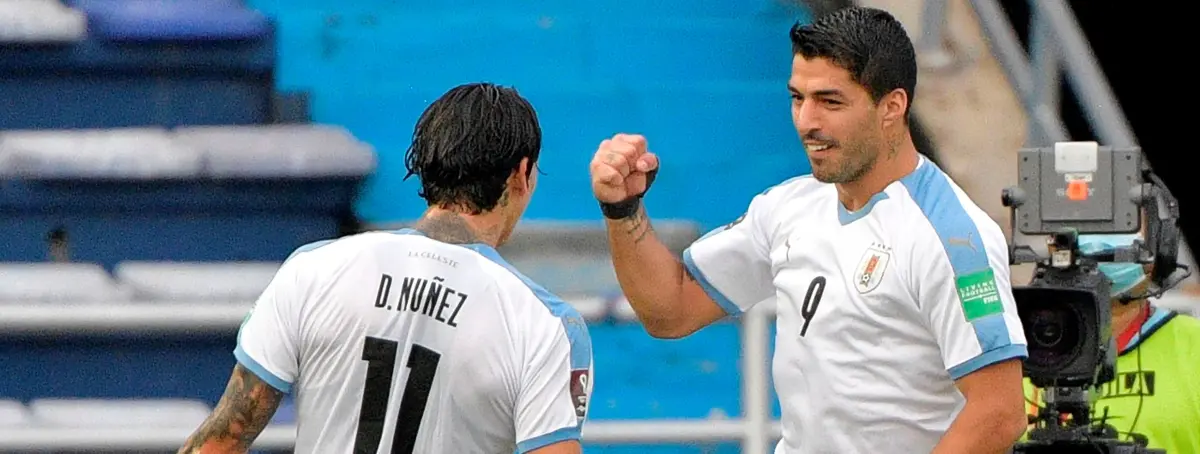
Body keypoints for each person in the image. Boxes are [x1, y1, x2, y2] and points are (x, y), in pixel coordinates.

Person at [588, 6, 1029, 453]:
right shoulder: (789, 206)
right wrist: (623, 209)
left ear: (892, 107)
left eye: (830, 101)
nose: (806, 122)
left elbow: (999, 412)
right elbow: (671, 310)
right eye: (798, 98)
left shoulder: (951, 236)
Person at [178, 83, 594, 454]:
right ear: (522, 173)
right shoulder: (546, 325)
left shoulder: (314, 269)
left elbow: (219, 443)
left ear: (426, 163)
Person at [1023, 234, 1200, 453]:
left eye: (1126, 225)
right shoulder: (1017, 350)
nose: (1098, 242)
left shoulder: (1194, 345)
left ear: (1159, 248)